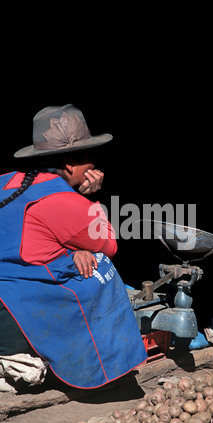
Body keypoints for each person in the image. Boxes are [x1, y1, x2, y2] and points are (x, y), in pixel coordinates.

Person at [0, 104, 147, 389]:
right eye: (90, 159)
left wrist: (72, 249)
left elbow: (34, 240)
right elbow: (108, 244)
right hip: (14, 319)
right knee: (100, 266)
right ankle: (101, 370)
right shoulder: (64, 200)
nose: (95, 166)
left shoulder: (5, 182)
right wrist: (91, 198)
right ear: (69, 163)